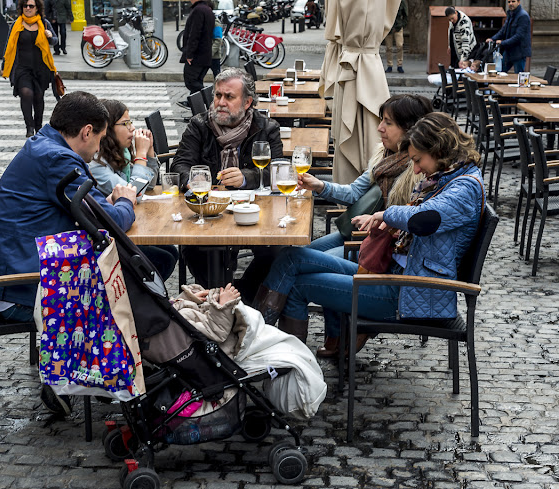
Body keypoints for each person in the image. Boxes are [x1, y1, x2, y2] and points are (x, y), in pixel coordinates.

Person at [254, 112, 485, 358]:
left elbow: (424, 219)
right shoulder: (450, 178)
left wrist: (386, 215)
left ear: (439, 150)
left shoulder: (464, 188)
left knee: (300, 286)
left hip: (407, 294)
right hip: (394, 277)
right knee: (292, 257)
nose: (416, 169)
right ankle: (256, 334)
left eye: (418, 160)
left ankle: (281, 359)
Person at [0, 91, 138, 415]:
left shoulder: (47, 146)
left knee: (147, 265)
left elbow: (89, 211)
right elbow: (107, 224)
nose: (98, 148)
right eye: (101, 137)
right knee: (128, 288)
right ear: (86, 132)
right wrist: (125, 201)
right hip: (20, 286)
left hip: (18, 270)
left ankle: (93, 372)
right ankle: (96, 377)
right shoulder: (58, 159)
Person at [171, 67, 284, 303]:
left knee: (275, 252)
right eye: (217, 95)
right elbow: (179, 165)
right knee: (193, 248)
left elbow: (277, 171)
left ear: (247, 102)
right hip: (210, 211)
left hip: (255, 214)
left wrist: (245, 178)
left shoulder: (267, 128)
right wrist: (198, 182)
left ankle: (238, 296)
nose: (220, 103)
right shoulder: (199, 125)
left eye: (229, 97)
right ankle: (220, 301)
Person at [299, 95, 433, 259]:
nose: (379, 128)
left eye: (388, 122)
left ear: (409, 129)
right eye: (381, 120)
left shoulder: (420, 171)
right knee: (294, 253)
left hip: (380, 249)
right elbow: (354, 192)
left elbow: (412, 227)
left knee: (296, 260)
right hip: (359, 233)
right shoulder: (384, 156)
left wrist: (381, 220)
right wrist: (319, 186)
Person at [173, 283, 327, 418]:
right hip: (231, 346)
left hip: (233, 337)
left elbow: (180, 311)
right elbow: (217, 331)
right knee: (286, 349)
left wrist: (188, 299)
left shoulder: (169, 314)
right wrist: (224, 305)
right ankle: (305, 391)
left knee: (284, 345)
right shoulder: (174, 319)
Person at [89, 99, 178, 280]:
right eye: (125, 123)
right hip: (107, 236)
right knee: (163, 259)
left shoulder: (121, 153)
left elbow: (149, 185)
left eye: (131, 122)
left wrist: (150, 152)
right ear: (108, 129)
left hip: (123, 227)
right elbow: (133, 192)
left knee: (170, 251)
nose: (132, 128)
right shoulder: (96, 163)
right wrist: (141, 155)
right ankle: (142, 300)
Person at [2, 0, 59, 138]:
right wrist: (5, 64)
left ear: (37, 8)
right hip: (22, 68)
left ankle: (38, 126)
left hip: (41, 69)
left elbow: (55, 40)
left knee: (39, 97)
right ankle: (29, 127)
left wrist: (50, 37)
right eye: (25, 6)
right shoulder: (16, 25)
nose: (28, 8)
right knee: (26, 93)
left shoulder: (44, 23)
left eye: (31, 6)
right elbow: (9, 45)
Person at [177, 0, 215, 109]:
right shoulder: (207, 9)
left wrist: (189, 54)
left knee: (191, 81)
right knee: (197, 80)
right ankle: (193, 104)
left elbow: (194, 33)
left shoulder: (198, 10)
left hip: (198, 54)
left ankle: (211, 99)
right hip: (206, 54)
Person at [487, 0, 531, 74]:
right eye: (509, 2)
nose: (511, 4)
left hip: (519, 52)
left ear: (518, 2)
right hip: (509, 51)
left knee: (519, 77)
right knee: (500, 72)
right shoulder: (510, 14)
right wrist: (492, 38)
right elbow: (503, 30)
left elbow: (519, 36)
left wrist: (502, 42)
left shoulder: (523, 16)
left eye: (513, 1)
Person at [384, 0, 408, 74]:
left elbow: (405, 15)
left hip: (398, 27)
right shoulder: (386, 2)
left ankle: (399, 65)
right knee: (388, 47)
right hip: (388, 27)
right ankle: (389, 65)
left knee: (400, 45)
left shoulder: (401, 1)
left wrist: (402, 25)